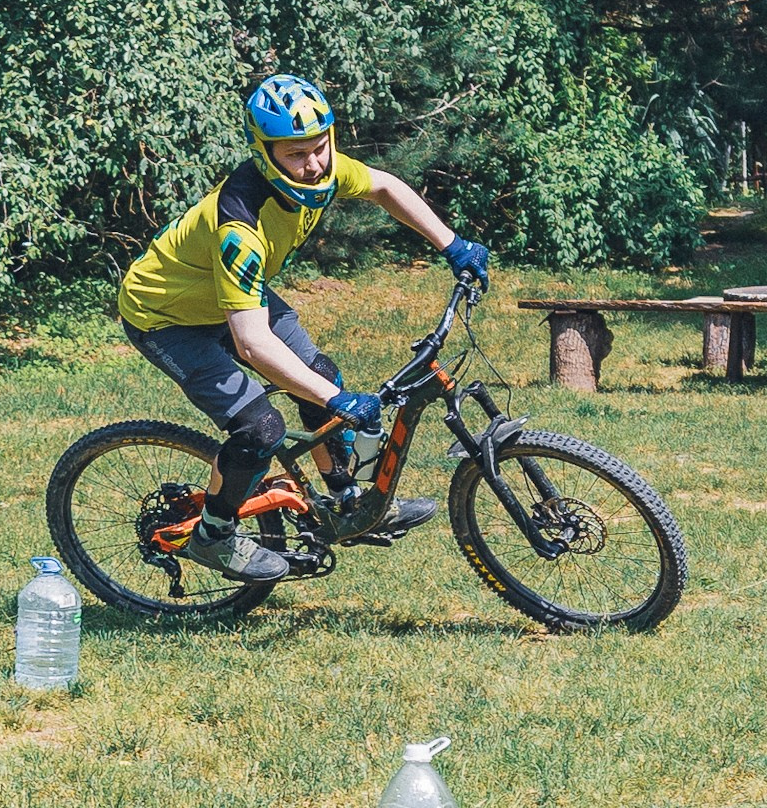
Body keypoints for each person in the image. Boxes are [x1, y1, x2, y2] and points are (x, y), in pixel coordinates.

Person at [116, 73, 490, 583]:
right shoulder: (239, 227)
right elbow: (251, 342)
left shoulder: (326, 170)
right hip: (165, 316)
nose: (313, 164)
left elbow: (383, 185)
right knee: (260, 428)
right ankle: (214, 535)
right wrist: (337, 402)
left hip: (230, 298)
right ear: (266, 153)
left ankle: (345, 502)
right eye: (296, 154)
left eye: (319, 147)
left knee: (320, 376)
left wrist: (453, 245)